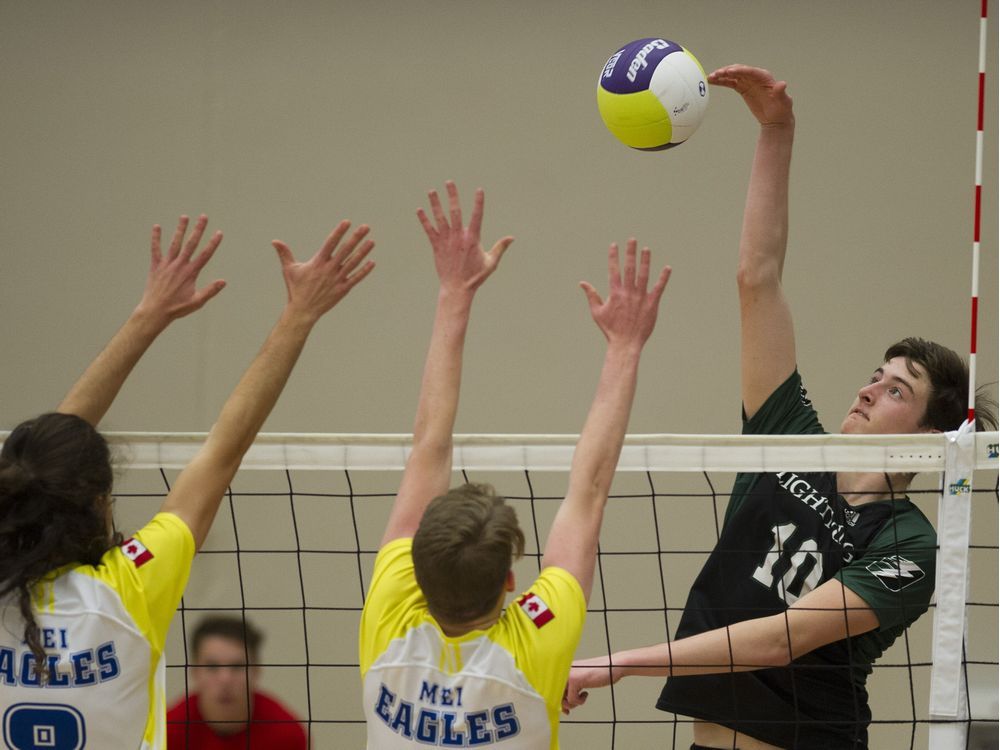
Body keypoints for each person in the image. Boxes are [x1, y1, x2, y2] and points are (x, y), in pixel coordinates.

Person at [563, 65, 998, 750]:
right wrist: (775, 130)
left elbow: (780, 639)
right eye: (875, 375)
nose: (866, 390)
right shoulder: (790, 435)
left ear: (929, 435)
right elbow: (755, 279)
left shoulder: (909, 545)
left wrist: (618, 662)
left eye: (896, 391)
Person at [0, 214, 374, 748]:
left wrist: (146, 317)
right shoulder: (128, 590)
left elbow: (46, 464)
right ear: (100, 503)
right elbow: (224, 449)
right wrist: (300, 314)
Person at [358, 181, 670, 749]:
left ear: (416, 571)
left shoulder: (388, 617)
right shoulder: (535, 645)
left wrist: (454, 290)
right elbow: (589, 491)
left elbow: (430, 445)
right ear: (509, 581)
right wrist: (625, 346)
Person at [166, 615, 308, 748]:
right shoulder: (167, 733)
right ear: (194, 672)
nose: (225, 679)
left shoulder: (287, 735)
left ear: (256, 671)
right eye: (212, 667)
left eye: (238, 666)